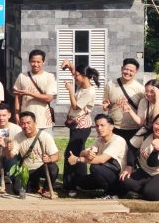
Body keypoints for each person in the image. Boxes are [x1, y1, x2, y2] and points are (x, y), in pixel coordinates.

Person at [120, 113, 159, 201]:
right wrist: (129, 166)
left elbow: (153, 164)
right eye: (157, 124)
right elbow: (132, 148)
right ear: (153, 123)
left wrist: (156, 150)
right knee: (124, 180)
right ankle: (147, 188)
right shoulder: (144, 132)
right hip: (146, 172)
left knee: (150, 193)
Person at [61, 61, 100, 195]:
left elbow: (76, 106)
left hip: (82, 127)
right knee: (79, 152)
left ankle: (71, 185)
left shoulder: (89, 91)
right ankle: (78, 182)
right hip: (76, 125)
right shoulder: (82, 85)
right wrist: (71, 66)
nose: (75, 77)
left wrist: (71, 91)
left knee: (71, 154)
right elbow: (75, 73)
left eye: (77, 75)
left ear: (84, 76)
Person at [68, 113, 127, 199]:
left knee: (95, 167)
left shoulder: (118, 140)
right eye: (97, 126)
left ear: (111, 127)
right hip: (105, 172)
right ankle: (103, 188)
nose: (99, 128)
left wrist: (77, 159)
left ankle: (112, 194)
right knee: (80, 181)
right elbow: (84, 153)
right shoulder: (99, 140)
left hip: (118, 178)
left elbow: (101, 160)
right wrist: (87, 153)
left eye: (102, 125)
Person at [5, 111, 59, 197]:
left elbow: (56, 156)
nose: (25, 126)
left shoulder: (45, 136)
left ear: (35, 123)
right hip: (26, 170)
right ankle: (34, 186)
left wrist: (49, 159)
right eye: (22, 123)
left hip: (41, 168)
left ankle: (46, 189)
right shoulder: (18, 137)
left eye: (28, 123)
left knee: (53, 168)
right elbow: (10, 156)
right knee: (17, 190)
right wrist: (7, 149)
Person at [101, 58, 145, 143]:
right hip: (114, 127)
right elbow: (106, 104)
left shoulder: (140, 89)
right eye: (126, 69)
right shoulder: (110, 84)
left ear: (136, 72)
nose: (128, 72)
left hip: (133, 129)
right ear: (122, 68)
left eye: (131, 71)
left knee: (130, 155)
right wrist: (106, 107)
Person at [13, 49, 56, 130]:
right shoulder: (22, 76)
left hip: (43, 121)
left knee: (45, 142)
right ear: (29, 61)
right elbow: (17, 98)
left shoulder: (49, 77)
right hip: (25, 120)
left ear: (43, 62)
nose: (35, 64)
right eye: (33, 61)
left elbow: (49, 98)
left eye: (38, 62)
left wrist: (29, 93)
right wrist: (16, 115)